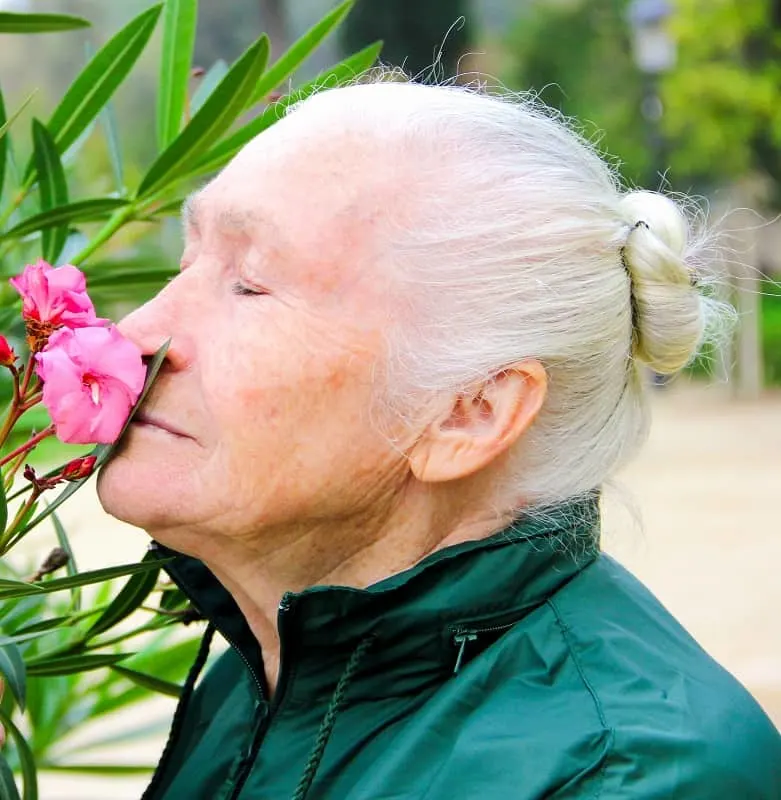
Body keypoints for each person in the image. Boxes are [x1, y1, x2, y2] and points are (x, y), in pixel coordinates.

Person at [97, 79, 781, 799]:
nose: (138, 334)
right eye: (189, 258)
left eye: (250, 285)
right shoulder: (279, 663)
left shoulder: (630, 781)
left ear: (470, 413)